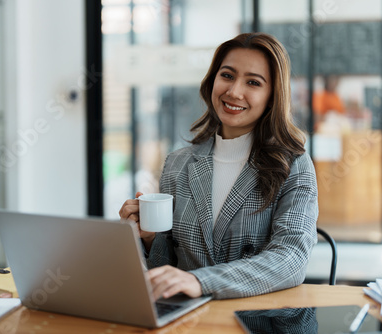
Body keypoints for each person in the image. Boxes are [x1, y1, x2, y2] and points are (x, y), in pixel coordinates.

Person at [119, 32, 318, 300]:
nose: (234, 91)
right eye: (227, 75)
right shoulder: (178, 163)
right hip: (187, 320)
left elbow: (291, 258)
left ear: (272, 96)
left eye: (253, 82)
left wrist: (201, 282)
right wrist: (149, 237)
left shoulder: (293, 163)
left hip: (258, 322)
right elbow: (166, 268)